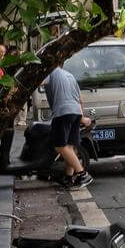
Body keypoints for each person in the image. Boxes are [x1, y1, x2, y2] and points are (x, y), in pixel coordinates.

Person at [45, 56, 91, 186]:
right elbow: (81, 100)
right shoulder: (70, 75)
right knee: (70, 147)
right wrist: (81, 117)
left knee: (60, 146)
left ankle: (83, 174)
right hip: (76, 112)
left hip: (63, 112)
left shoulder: (50, 74)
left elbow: (42, 85)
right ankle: (68, 177)